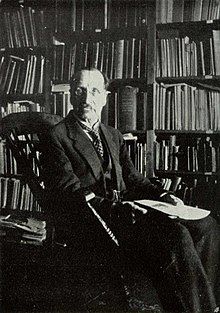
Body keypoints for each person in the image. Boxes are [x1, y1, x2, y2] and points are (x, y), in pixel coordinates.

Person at [42, 67, 220, 313]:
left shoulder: (112, 135)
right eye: (80, 90)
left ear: (104, 97)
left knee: (207, 225)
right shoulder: (57, 136)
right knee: (175, 234)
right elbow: (68, 191)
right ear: (72, 94)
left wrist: (162, 195)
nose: (86, 98)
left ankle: (204, 304)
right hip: (98, 222)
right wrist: (115, 208)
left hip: (131, 212)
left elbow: (134, 180)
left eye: (94, 91)